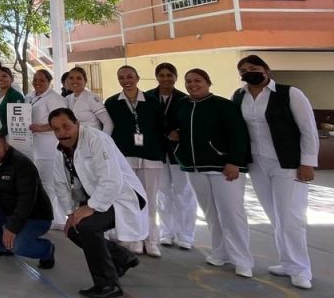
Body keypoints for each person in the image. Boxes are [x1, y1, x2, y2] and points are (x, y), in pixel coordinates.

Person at [234, 55, 318, 289]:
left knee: (291, 217)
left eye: (253, 68)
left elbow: (308, 129)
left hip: (287, 163)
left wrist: (308, 162)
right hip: (257, 164)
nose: (248, 72)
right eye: (243, 70)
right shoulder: (239, 96)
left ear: (266, 70)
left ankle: (301, 269)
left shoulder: (290, 93)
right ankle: (288, 263)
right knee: (275, 216)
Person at [49, 108, 148, 298]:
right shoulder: (61, 150)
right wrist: (70, 213)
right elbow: (60, 183)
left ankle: (108, 284)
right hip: (98, 196)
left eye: (66, 126)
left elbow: (112, 181)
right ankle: (122, 258)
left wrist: (90, 207)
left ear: (77, 123)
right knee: (73, 229)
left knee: (87, 227)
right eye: (56, 129)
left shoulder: (97, 140)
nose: (62, 133)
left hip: (124, 196)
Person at [172, 68, 254, 278]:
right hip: (195, 168)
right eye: (189, 81)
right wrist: (175, 138)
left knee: (232, 213)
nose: (193, 85)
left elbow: (238, 134)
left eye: (197, 80)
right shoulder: (182, 105)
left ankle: (242, 260)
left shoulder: (223, 105)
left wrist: (234, 161)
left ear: (208, 83)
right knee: (211, 214)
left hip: (223, 168)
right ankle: (220, 253)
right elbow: (176, 129)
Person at [105, 66, 167, 257]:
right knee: (132, 200)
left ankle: (152, 240)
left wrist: (161, 152)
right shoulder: (112, 103)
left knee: (150, 200)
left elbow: (161, 128)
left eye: (130, 76)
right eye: (121, 77)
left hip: (151, 156)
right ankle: (136, 239)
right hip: (125, 157)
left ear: (138, 78)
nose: (126, 80)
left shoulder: (152, 101)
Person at [0, 132, 57, 266]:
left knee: (17, 246)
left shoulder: (22, 164)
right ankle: (1, 247)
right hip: (7, 210)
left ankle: (47, 249)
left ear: (5, 145)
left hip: (35, 217)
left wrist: (12, 228)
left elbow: (26, 201)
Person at [144, 62, 197, 250]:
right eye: (162, 75)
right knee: (163, 193)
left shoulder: (185, 99)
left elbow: (190, 124)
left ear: (175, 77)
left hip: (178, 153)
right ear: (156, 77)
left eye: (169, 75)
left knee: (184, 193)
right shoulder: (148, 97)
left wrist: (179, 132)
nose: (166, 79)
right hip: (157, 152)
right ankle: (167, 232)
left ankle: (186, 236)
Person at [26, 69, 68, 226]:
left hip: (49, 146)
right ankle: (45, 214)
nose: (37, 82)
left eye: (42, 80)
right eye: (35, 79)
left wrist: (41, 128)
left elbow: (62, 121)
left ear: (49, 82)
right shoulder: (29, 96)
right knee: (40, 182)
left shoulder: (55, 98)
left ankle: (55, 218)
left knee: (50, 183)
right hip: (33, 145)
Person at [65, 67, 112, 133]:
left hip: (93, 137)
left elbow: (108, 123)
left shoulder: (92, 98)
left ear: (85, 81)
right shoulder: (68, 99)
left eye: (79, 78)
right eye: (71, 78)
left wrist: (103, 138)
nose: (74, 81)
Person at [0, 67, 24, 135]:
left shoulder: (16, 95)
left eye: (4, 76)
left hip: (8, 136)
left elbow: (15, 119)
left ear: (12, 79)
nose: (0, 78)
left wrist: (0, 134)